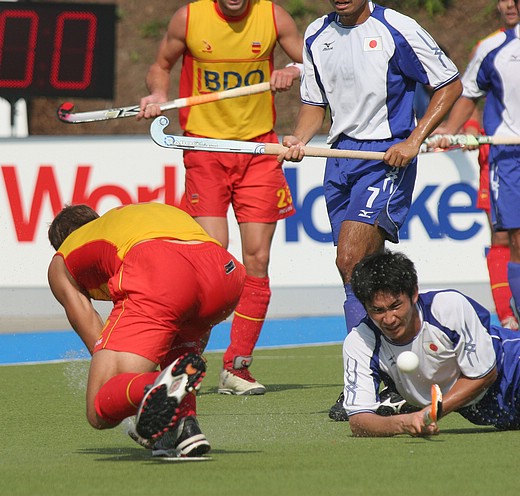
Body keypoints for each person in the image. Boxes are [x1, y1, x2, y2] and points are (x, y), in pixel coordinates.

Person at [278, 0, 462, 419]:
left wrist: (414, 140)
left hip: (385, 157)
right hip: (338, 158)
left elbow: (449, 83)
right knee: (357, 274)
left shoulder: (398, 27)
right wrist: (299, 138)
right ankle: (383, 378)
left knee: (351, 257)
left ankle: (368, 381)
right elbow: (314, 103)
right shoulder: (314, 34)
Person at [137, 0, 303, 396]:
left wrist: (292, 71)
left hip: (259, 151)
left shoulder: (274, 17)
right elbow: (161, 65)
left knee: (257, 260)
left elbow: (316, 61)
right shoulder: (189, 18)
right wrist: (158, 92)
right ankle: (182, 361)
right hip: (205, 149)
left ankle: (237, 367)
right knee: (215, 259)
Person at [47, 202, 246, 457]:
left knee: (98, 406)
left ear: (62, 242)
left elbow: (98, 342)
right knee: (175, 350)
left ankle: (153, 387)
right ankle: (184, 429)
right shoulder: (132, 218)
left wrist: (134, 403)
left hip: (161, 269)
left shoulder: (62, 259)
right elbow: (186, 334)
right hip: (224, 275)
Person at [341, 249, 520, 437]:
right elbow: (359, 421)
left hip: (511, 366)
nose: (389, 319)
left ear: (414, 294)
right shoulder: (360, 342)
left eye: (395, 306)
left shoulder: (446, 306)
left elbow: (486, 374)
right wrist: (403, 423)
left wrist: (428, 413)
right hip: (482, 411)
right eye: (377, 310)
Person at [432, 0, 520, 328]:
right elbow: (470, 98)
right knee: (506, 238)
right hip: (506, 157)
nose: (509, 5)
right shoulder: (490, 48)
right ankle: (509, 316)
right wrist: (456, 131)